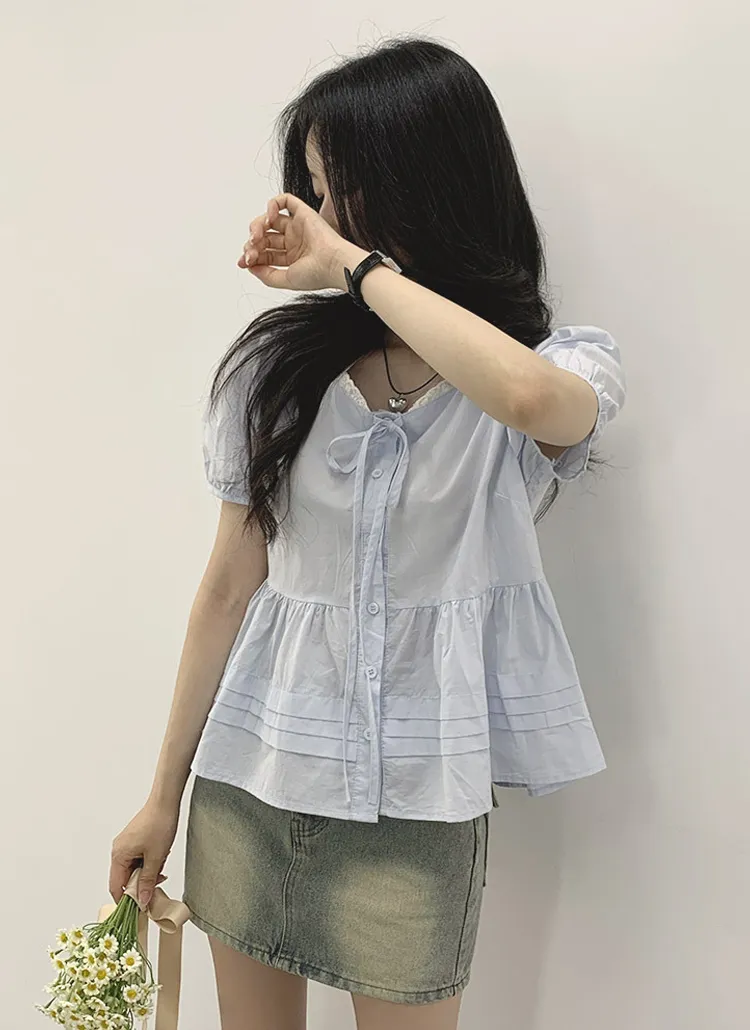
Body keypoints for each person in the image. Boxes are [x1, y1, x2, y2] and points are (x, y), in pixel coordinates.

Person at [109, 35, 626, 1030]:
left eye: (334, 186)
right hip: (250, 787)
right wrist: (161, 797)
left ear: (419, 180)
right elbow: (227, 589)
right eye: (308, 188)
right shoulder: (277, 372)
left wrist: (350, 266)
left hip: (418, 814)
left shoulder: (551, 361)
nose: (315, 214)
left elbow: (533, 402)